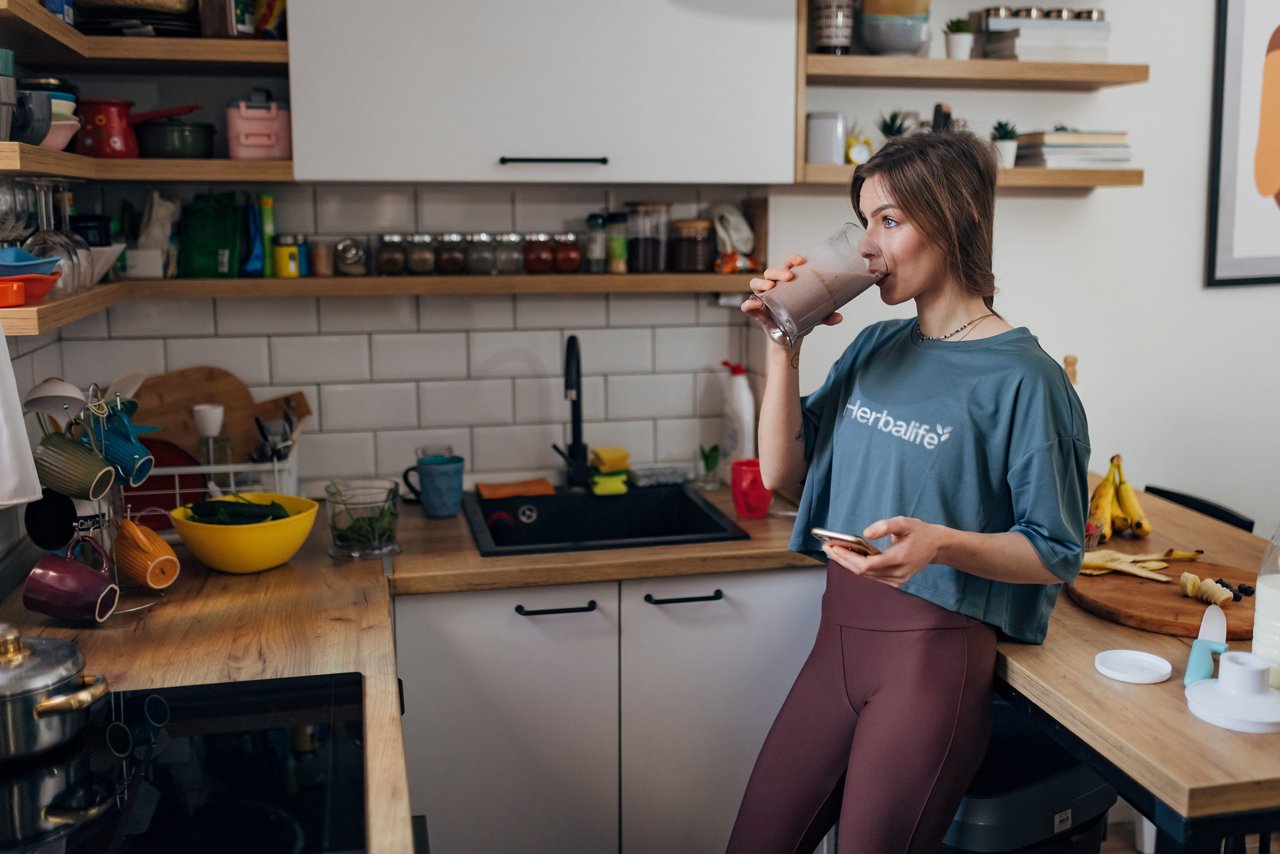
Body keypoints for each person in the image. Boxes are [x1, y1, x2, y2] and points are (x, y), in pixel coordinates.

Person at [726, 129, 1089, 854]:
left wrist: (940, 544)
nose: (867, 247)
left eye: (889, 221)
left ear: (954, 220)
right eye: (865, 223)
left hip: (933, 664)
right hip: (834, 646)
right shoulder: (874, 347)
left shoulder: (1026, 380)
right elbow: (782, 476)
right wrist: (783, 344)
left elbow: (1055, 550)